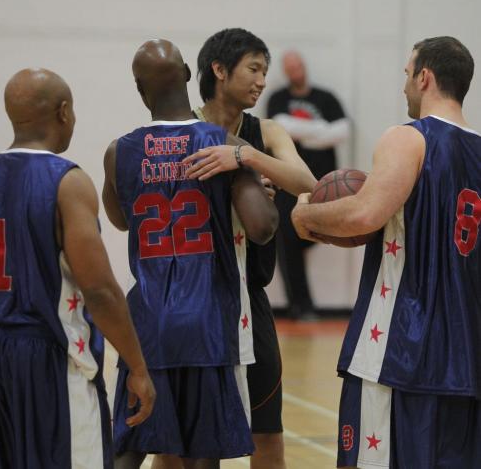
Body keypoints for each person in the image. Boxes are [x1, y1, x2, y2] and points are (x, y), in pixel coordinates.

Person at [292, 36, 481, 468]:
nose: (403, 87)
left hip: (398, 350)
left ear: (425, 76)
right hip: (466, 354)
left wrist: (304, 216)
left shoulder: (408, 138)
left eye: (406, 75)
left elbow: (363, 214)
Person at [102, 39, 278, 469]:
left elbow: (122, 220)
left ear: (140, 90)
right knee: (204, 455)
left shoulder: (118, 151)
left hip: (148, 322)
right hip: (208, 323)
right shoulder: (221, 142)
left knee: (129, 446)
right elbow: (261, 228)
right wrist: (256, 183)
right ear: (186, 74)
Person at [0, 68, 155, 469]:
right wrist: (138, 366)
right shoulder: (67, 181)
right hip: (48, 357)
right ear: (63, 112)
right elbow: (99, 289)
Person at [177, 28, 316, 469]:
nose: (261, 81)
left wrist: (246, 158)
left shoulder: (266, 131)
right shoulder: (183, 130)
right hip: (193, 297)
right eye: (253, 69)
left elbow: (307, 182)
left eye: (265, 71)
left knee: (267, 433)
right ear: (219, 70)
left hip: (249, 299)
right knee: (182, 444)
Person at [267, 51, 351, 318]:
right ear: (285, 71)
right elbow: (279, 127)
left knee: (321, 234)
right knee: (287, 241)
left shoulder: (325, 98)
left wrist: (301, 132)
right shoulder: (278, 99)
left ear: (304, 66)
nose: (296, 71)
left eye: (298, 66)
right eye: (289, 68)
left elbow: (342, 132)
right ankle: (301, 305)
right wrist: (321, 130)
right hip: (287, 183)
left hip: (324, 185)